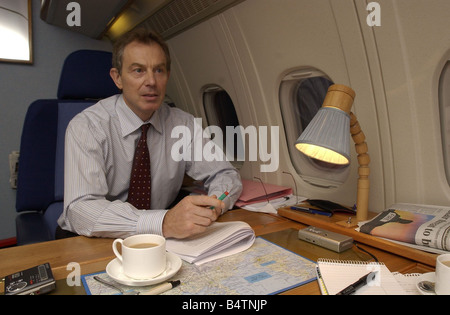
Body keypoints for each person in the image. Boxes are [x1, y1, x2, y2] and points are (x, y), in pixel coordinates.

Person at [56, 29, 242, 240]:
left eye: (159, 70)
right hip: (93, 237)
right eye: (138, 70)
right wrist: (161, 222)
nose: (151, 81)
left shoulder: (184, 124)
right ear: (117, 78)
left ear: (167, 76)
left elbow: (226, 175)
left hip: (158, 236)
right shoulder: (87, 126)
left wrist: (213, 205)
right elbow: (81, 209)